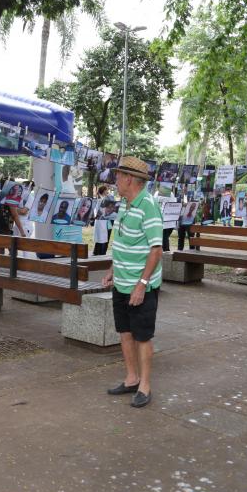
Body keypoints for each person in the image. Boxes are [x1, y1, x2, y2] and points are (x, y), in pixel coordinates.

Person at [101, 156, 163, 409]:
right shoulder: (126, 205)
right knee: (124, 332)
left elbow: (156, 249)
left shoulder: (148, 205)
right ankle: (131, 378)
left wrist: (142, 284)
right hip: (122, 282)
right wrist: (112, 269)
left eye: (117, 177)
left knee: (142, 336)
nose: (115, 181)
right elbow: (124, 241)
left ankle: (145, 386)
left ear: (129, 179)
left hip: (141, 286)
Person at [93, 185, 116, 255]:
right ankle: (99, 252)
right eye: (106, 190)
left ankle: (100, 252)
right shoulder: (100, 199)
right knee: (102, 237)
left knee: (104, 237)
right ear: (103, 191)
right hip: (103, 222)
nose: (107, 191)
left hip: (108, 221)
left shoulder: (106, 198)